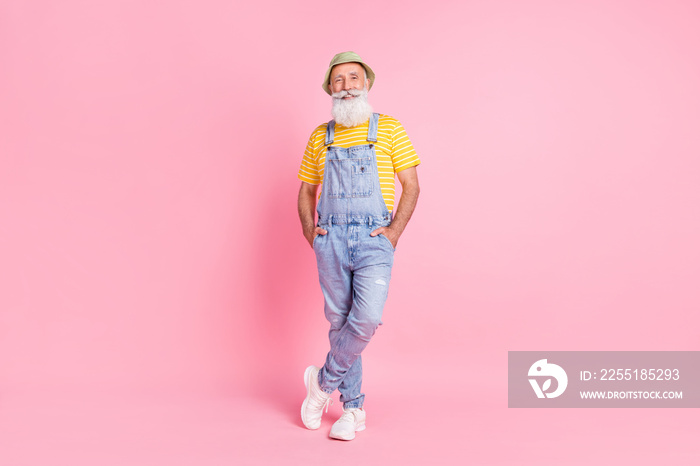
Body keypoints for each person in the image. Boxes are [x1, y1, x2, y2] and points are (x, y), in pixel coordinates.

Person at [297, 51, 420, 441]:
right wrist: (309, 232)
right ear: (330, 89)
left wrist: (394, 232)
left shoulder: (390, 129)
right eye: (338, 81)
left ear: (365, 83)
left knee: (364, 319)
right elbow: (305, 190)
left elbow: (412, 185)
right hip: (331, 238)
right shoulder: (321, 135)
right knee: (339, 323)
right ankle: (353, 410)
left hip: (373, 239)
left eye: (353, 78)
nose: (346, 86)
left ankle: (322, 382)